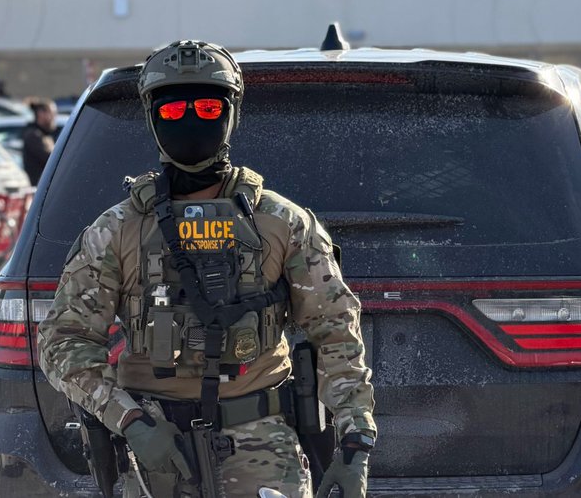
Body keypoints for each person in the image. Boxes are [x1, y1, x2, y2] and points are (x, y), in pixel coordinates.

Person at [37, 40, 376, 497]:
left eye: (208, 107)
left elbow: (335, 332)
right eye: (174, 110)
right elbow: (64, 342)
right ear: (153, 118)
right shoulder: (116, 230)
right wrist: (129, 420)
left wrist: (355, 443)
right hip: (155, 455)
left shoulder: (283, 223)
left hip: (263, 451)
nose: (192, 119)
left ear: (230, 114)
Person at [21, 98, 58, 185]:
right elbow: (50, 159)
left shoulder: (44, 134)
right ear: (41, 114)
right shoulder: (33, 135)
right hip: (38, 186)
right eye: (52, 113)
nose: (54, 117)